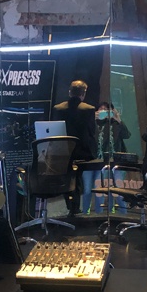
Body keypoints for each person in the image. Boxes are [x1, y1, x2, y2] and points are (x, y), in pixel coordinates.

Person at [52, 80, 97, 214]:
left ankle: (71, 206)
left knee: (69, 177)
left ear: (70, 92)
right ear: (83, 93)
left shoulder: (58, 108)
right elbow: (91, 131)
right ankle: (75, 207)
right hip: (82, 152)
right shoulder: (89, 109)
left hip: (63, 151)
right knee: (78, 178)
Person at [93, 102, 131, 214]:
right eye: (101, 109)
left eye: (106, 109)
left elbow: (127, 135)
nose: (103, 111)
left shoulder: (115, 123)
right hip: (101, 161)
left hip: (117, 161)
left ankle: (123, 214)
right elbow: (90, 138)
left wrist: (118, 119)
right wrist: (92, 120)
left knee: (118, 190)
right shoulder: (95, 124)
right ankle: (99, 214)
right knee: (99, 189)